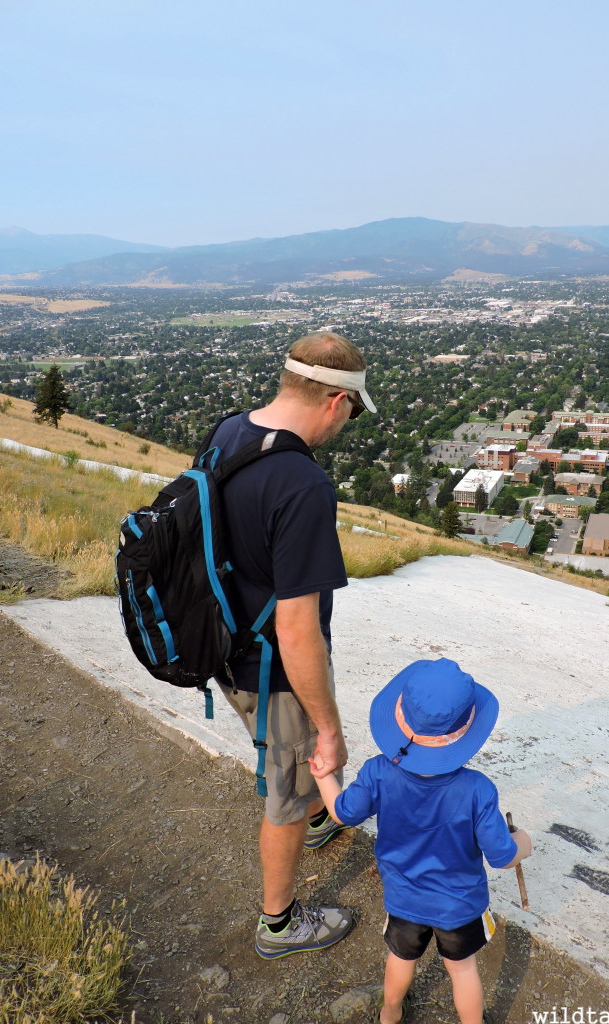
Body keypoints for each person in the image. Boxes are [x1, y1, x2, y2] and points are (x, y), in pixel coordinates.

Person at [207, 331, 376, 959]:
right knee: (290, 785)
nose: (345, 425)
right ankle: (278, 922)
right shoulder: (301, 485)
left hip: (225, 640)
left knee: (294, 768)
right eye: (351, 413)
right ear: (335, 401)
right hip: (270, 665)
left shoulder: (230, 433)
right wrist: (329, 730)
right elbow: (298, 629)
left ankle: (317, 812)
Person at [309, 658, 532, 1024]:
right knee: (462, 970)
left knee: (401, 959)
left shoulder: (379, 772)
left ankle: (390, 1013)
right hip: (459, 906)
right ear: (466, 732)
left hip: (403, 899)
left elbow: (343, 813)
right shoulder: (477, 790)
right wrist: (523, 842)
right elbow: (502, 856)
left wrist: (323, 775)